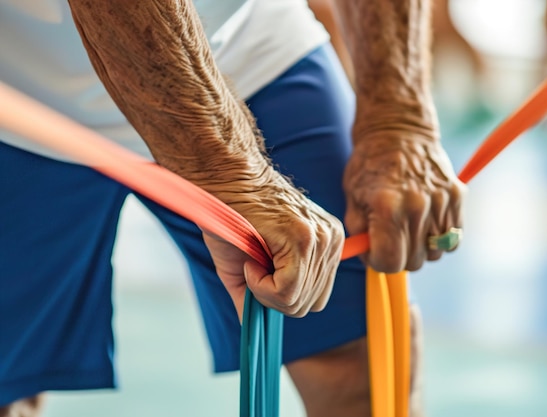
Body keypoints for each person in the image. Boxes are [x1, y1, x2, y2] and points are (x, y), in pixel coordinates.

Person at [0, 0, 465, 416]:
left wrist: (399, 119)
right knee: (7, 380)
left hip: (247, 48)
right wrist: (231, 173)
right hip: (14, 83)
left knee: (359, 357)